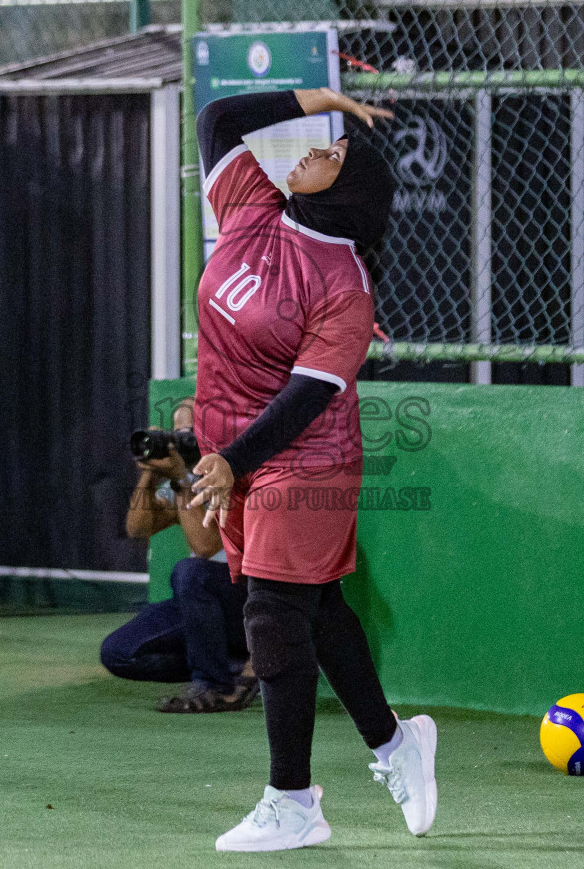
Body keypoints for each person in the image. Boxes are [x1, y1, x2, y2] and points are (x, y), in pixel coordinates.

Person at [186, 88, 438, 851]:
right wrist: (314, 96)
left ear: (346, 190)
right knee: (317, 610)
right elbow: (217, 120)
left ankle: (292, 802)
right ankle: (396, 743)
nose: (312, 151)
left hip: (304, 456)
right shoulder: (252, 208)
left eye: (331, 155)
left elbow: (303, 400)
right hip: (236, 455)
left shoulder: (343, 289)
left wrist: (232, 460)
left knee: (271, 615)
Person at [100, 399, 258, 713]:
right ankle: (228, 662)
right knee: (118, 653)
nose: (183, 440)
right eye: (178, 431)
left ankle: (214, 685)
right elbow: (138, 527)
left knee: (191, 572)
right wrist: (149, 473)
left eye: (190, 433)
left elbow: (206, 547)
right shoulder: (186, 478)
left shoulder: (237, 474)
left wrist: (181, 482)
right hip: (202, 608)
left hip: (245, 604)